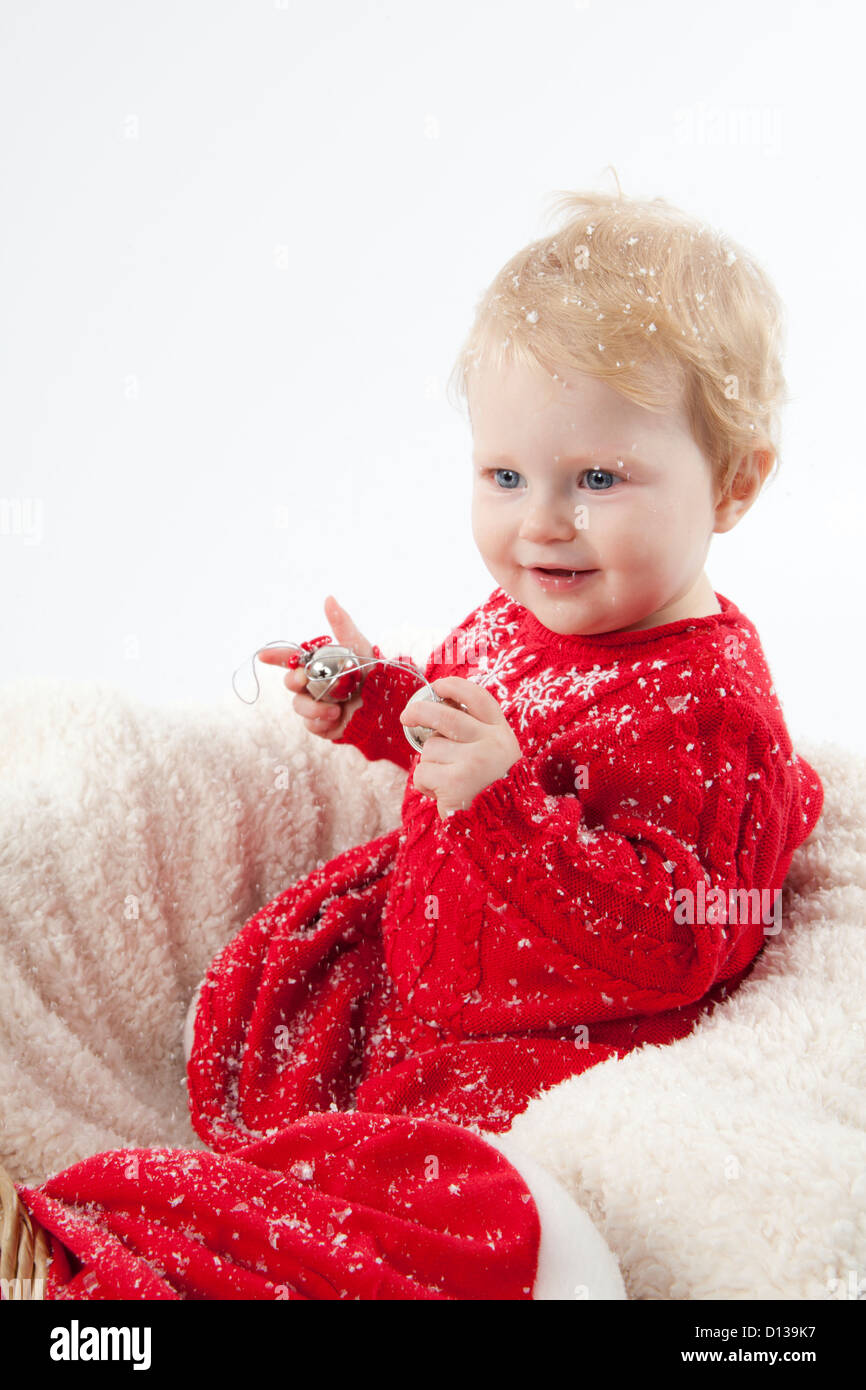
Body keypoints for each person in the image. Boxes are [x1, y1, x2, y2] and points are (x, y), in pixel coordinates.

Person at [13, 186, 823, 1301]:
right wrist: (381, 705)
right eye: (503, 476)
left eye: (596, 479)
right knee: (274, 1044)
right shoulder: (529, 610)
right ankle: (175, 1230)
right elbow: (461, 727)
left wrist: (501, 805)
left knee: (421, 1212)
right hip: (422, 982)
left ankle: (156, 1264)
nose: (539, 520)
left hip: (545, 1042)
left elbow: (682, 933)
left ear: (732, 484)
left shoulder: (704, 708)